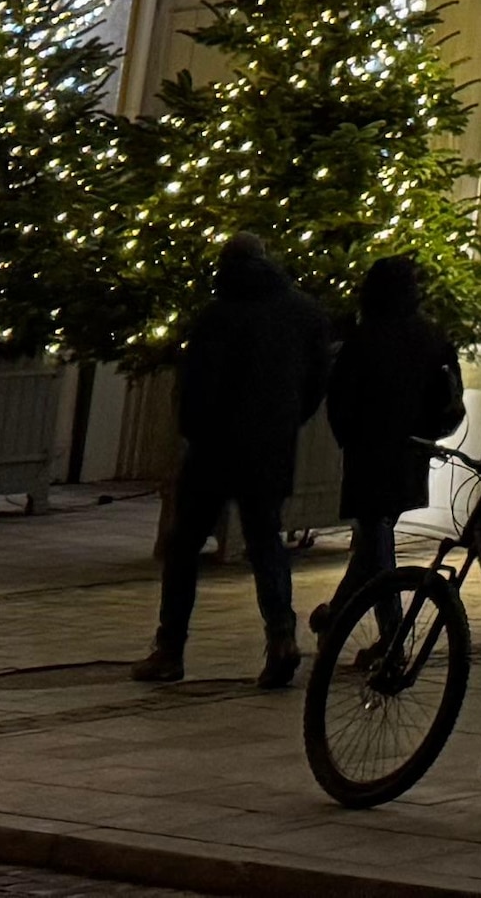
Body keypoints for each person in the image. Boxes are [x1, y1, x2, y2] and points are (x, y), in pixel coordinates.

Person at [134, 235, 329, 689]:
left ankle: (170, 649)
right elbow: (316, 381)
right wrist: (286, 419)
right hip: (271, 446)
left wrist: (195, 431)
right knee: (266, 543)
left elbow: (198, 386)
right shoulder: (304, 313)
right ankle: (281, 638)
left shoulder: (218, 314)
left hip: (215, 448)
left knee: (185, 546)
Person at [318, 252, 465, 636]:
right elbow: (447, 398)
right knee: (374, 541)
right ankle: (338, 616)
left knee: (376, 545)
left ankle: (391, 636)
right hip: (412, 452)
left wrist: (349, 436)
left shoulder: (365, 338)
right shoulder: (432, 337)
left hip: (369, 453)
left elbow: (341, 399)